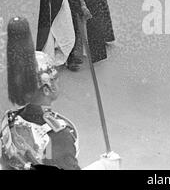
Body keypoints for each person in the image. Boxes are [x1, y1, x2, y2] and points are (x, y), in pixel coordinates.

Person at [0, 17, 120, 170]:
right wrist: (104, 166)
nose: (58, 82)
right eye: (55, 78)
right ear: (46, 89)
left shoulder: (10, 119)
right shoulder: (58, 136)